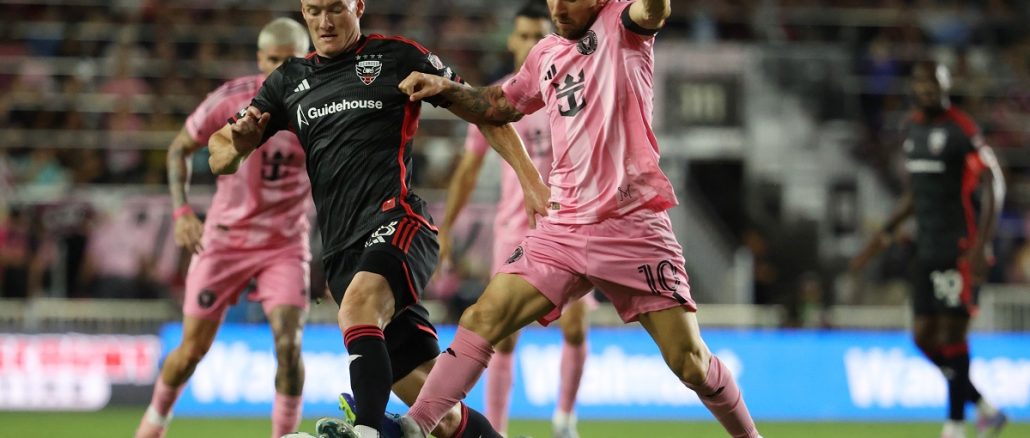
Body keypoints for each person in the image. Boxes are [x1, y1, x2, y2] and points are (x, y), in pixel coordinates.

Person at [394, 0, 761, 437]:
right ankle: (417, 426)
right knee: (481, 318)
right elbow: (495, 106)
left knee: (690, 363)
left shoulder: (623, 25)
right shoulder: (545, 54)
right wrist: (444, 88)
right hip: (563, 226)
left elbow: (654, 11)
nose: (558, 6)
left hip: (632, 227)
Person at [207, 1, 549, 437]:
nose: (325, 21)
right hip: (342, 256)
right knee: (440, 415)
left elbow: (483, 109)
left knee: (358, 307)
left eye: (336, 8)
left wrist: (530, 180)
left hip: (399, 224)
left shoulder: (397, 57)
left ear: (358, 7)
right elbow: (220, 155)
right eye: (314, 11)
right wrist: (237, 144)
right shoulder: (288, 81)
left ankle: (366, 431)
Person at [135, 18, 313, 438]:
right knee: (191, 351)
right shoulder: (230, 99)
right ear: (259, 58)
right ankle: (153, 425)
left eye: (289, 60)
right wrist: (181, 214)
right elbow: (180, 148)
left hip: (284, 245)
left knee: (289, 345)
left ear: (305, 59)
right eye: (272, 60)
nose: (280, 69)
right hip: (225, 242)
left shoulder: (320, 106)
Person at [437, 2, 589, 437]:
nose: (529, 43)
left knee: (576, 326)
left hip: (570, 222)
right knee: (501, 334)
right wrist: (446, 228)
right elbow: (468, 168)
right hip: (515, 227)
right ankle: (498, 430)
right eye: (522, 35)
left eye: (536, 35)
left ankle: (564, 419)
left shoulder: (571, 84)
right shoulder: (502, 96)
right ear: (510, 40)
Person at [850, 61, 1007, 438]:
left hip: (959, 246)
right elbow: (916, 194)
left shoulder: (961, 128)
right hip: (926, 247)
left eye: (933, 83)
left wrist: (982, 245)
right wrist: (886, 231)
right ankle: (985, 408)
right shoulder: (913, 129)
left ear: (947, 84)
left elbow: (994, 181)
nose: (926, 89)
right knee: (922, 336)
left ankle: (954, 426)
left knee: (953, 334)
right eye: (920, 82)